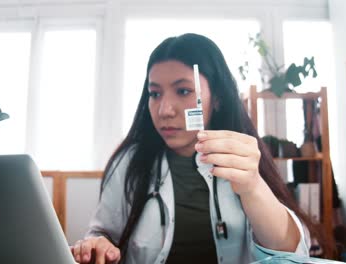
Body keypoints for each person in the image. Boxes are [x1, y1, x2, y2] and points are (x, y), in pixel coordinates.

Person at [71, 33, 328, 264]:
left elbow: (292, 254)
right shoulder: (129, 162)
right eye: (155, 94)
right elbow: (102, 233)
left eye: (183, 91)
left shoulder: (242, 156)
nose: (164, 110)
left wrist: (252, 186)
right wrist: (98, 245)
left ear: (216, 99)